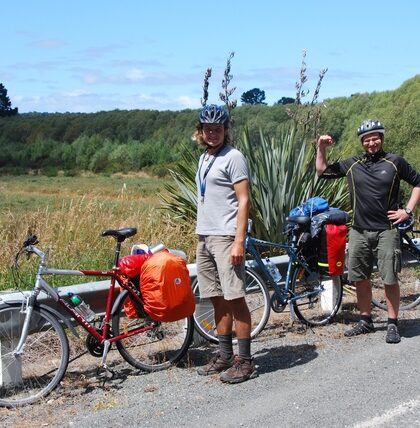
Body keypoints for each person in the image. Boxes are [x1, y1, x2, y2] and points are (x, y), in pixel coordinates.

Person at [316, 119, 420, 343]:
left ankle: (392, 323)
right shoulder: (353, 164)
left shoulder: (395, 162)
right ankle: (365, 321)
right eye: (366, 140)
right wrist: (321, 148)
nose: (371, 143)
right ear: (362, 142)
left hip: (387, 230)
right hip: (359, 231)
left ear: (381, 138)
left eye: (375, 138)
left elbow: (418, 183)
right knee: (359, 278)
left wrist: (407, 211)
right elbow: (322, 171)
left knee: (389, 278)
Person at [194, 104, 257, 383]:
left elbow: (244, 199)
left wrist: (239, 241)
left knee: (235, 298)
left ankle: (245, 361)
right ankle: (225, 355)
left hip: (226, 237)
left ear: (226, 130)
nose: (213, 134)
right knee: (216, 298)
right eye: (208, 129)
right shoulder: (205, 157)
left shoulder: (234, 157)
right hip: (205, 236)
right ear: (200, 131)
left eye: (218, 129)